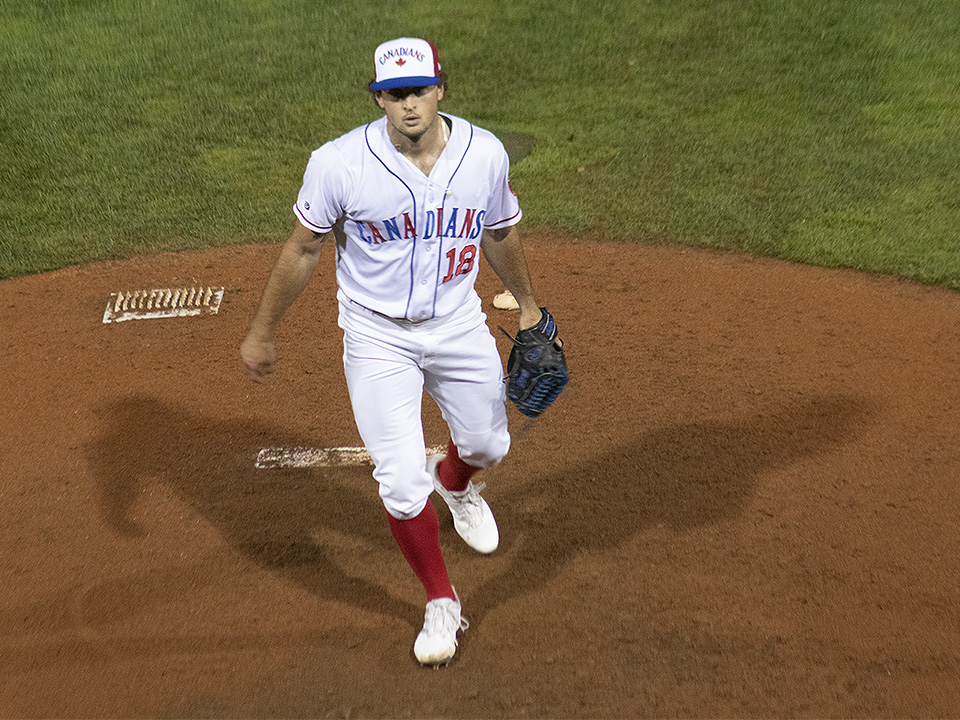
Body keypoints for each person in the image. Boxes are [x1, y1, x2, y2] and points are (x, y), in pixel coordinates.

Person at [240, 36, 551, 666]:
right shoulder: (338, 165)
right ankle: (442, 599)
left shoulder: (483, 154)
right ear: (379, 98)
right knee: (401, 484)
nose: (407, 105)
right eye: (394, 94)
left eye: (418, 91)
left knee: (490, 445)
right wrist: (262, 329)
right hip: (378, 335)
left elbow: (501, 231)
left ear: (441, 89)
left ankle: (458, 485)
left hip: (459, 323)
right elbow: (303, 249)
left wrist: (530, 303)